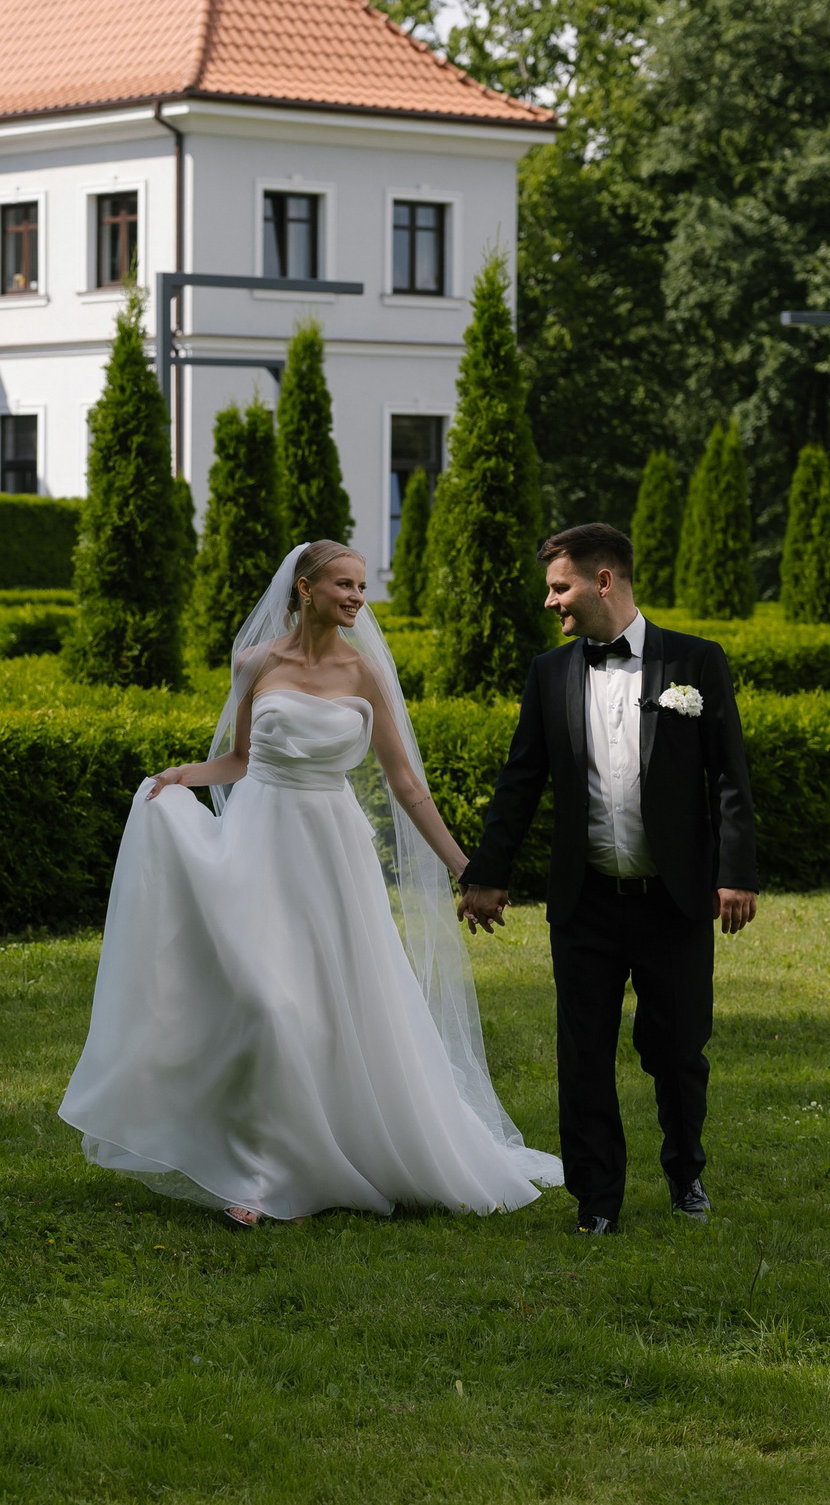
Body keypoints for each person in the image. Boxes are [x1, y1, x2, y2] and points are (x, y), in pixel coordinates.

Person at [60, 540, 562, 1227]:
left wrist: (464, 867)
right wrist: (182, 777)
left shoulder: (363, 675)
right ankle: (260, 1174)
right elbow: (238, 759)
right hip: (258, 843)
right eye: (344, 584)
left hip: (331, 852)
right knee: (268, 1003)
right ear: (303, 588)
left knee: (335, 1006)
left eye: (362, 586)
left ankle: (329, 1151)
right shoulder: (254, 663)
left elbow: (406, 786)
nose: (358, 596)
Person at [459, 523, 759, 1236]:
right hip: (585, 899)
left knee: (679, 1046)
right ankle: (597, 1200)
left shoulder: (696, 660)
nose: (549, 601)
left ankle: (686, 1172)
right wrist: (486, 874)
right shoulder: (550, 672)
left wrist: (735, 873)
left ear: (602, 581)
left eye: (558, 586)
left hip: (674, 898)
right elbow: (521, 779)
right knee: (583, 1049)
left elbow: (731, 778)